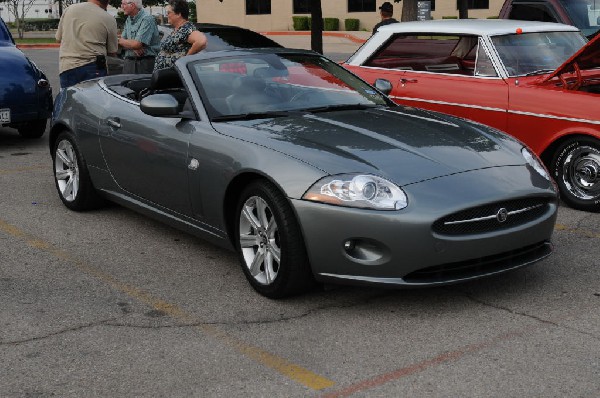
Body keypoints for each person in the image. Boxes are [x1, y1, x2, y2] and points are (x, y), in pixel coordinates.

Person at [55, 0, 118, 88]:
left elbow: (58, 38)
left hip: (67, 66)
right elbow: (112, 52)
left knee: (69, 100)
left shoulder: (69, 10)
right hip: (93, 68)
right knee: (93, 100)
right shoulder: (109, 19)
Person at [153, 0, 207, 71]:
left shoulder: (187, 28)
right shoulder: (178, 30)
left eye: (169, 13)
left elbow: (201, 42)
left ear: (178, 14)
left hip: (175, 77)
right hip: (165, 76)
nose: (167, 15)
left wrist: (185, 60)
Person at [118, 0, 160, 74]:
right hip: (129, 62)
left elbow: (137, 44)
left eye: (123, 4)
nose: (122, 7)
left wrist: (133, 45)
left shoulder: (147, 19)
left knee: (143, 85)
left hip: (144, 63)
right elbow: (121, 41)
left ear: (132, 5)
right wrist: (132, 46)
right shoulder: (128, 19)